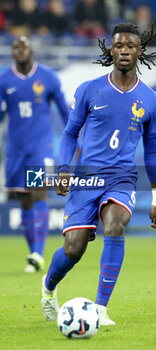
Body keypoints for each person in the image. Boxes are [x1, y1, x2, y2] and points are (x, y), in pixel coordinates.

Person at [41, 22, 156, 325]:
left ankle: (99, 310)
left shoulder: (151, 100)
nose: (124, 51)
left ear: (140, 51)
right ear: (110, 50)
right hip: (86, 179)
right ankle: (48, 288)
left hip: (122, 178)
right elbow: (70, 133)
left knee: (116, 225)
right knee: (74, 249)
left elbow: (153, 150)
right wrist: (63, 169)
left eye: (130, 46)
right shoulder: (89, 89)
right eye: (119, 46)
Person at [0, 36, 69, 272]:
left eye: (24, 47)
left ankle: (38, 254)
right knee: (24, 200)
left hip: (41, 147)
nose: (20, 51)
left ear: (32, 51)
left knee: (39, 194)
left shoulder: (47, 77)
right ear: (12, 53)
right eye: (15, 48)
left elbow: (64, 110)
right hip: (14, 149)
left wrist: (76, 137)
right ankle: (34, 252)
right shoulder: (3, 78)